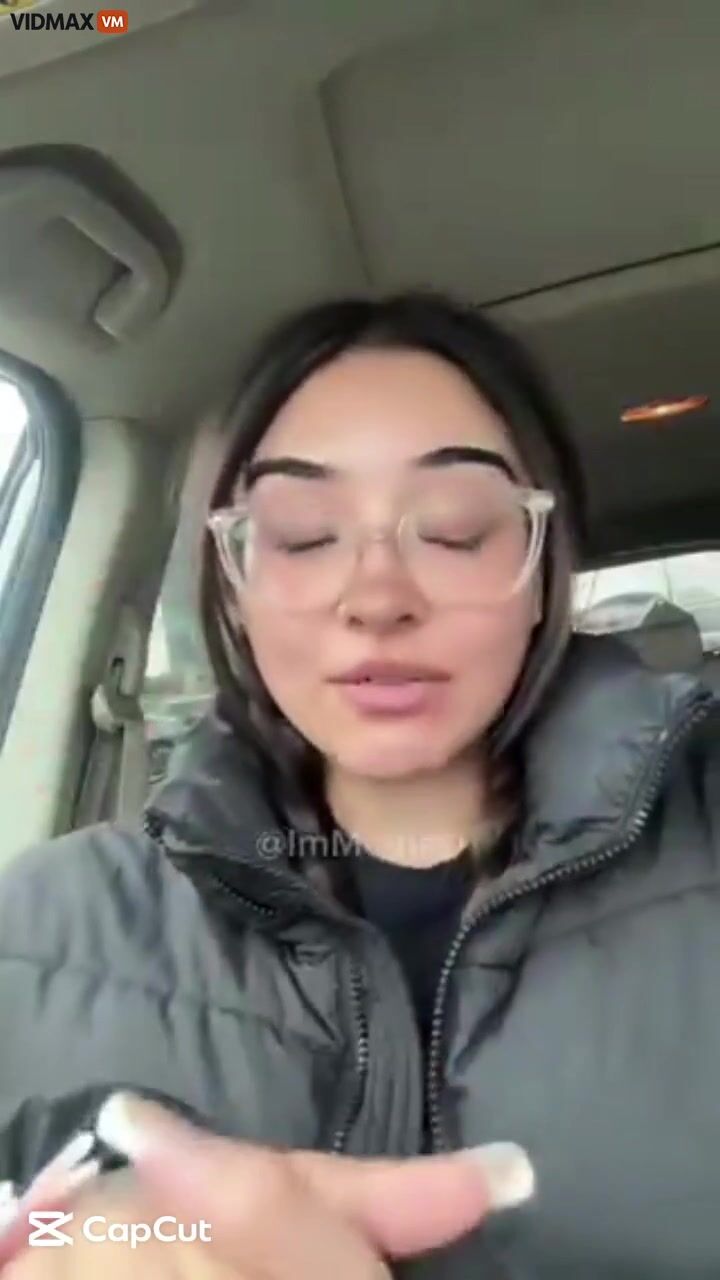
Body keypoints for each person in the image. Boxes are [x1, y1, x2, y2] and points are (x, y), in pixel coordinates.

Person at [0, 291, 717, 1279]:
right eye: (302, 535)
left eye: (456, 530)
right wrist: (76, 1236)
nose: (378, 597)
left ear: (544, 571)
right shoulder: (39, 925)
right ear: (234, 589)